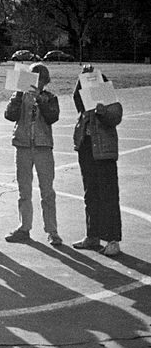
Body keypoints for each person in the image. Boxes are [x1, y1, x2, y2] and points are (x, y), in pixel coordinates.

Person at [3, 63, 62, 246]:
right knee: (24, 190)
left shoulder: (50, 98)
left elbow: (52, 117)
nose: (37, 84)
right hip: (23, 146)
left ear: (45, 82)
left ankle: (52, 230)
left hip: (43, 146)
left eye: (41, 80)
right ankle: (24, 227)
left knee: (47, 191)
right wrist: (19, 95)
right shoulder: (20, 97)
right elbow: (9, 115)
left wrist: (41, 100)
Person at [71, 66, 123, 256]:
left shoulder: (110, 99)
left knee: (108, 196)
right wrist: (82, 77)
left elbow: (116, 117)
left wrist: (103, 112)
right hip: (86, 150)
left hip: (104, 153)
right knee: (90, 194)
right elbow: (76, 99)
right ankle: (92, 235)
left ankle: (112, 239)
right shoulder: (84, 103)